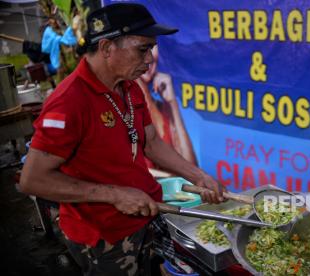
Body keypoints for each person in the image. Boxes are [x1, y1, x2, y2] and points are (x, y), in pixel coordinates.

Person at [19, 3, 224, 275]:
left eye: (151, 49)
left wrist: (197, 175)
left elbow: (151, 142)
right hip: (103, 236)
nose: (150, 59)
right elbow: (32, 179)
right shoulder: (69, 102)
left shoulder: (129, 88)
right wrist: (114, 194)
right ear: (106, 48)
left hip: (144, 216)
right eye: (143, 49)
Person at [136, 46, 198, 169]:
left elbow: (191, 168)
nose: (150, 57)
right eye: (143, 47)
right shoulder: (120, 106)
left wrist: (172, 104)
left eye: (153, 45)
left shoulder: (162, 108)